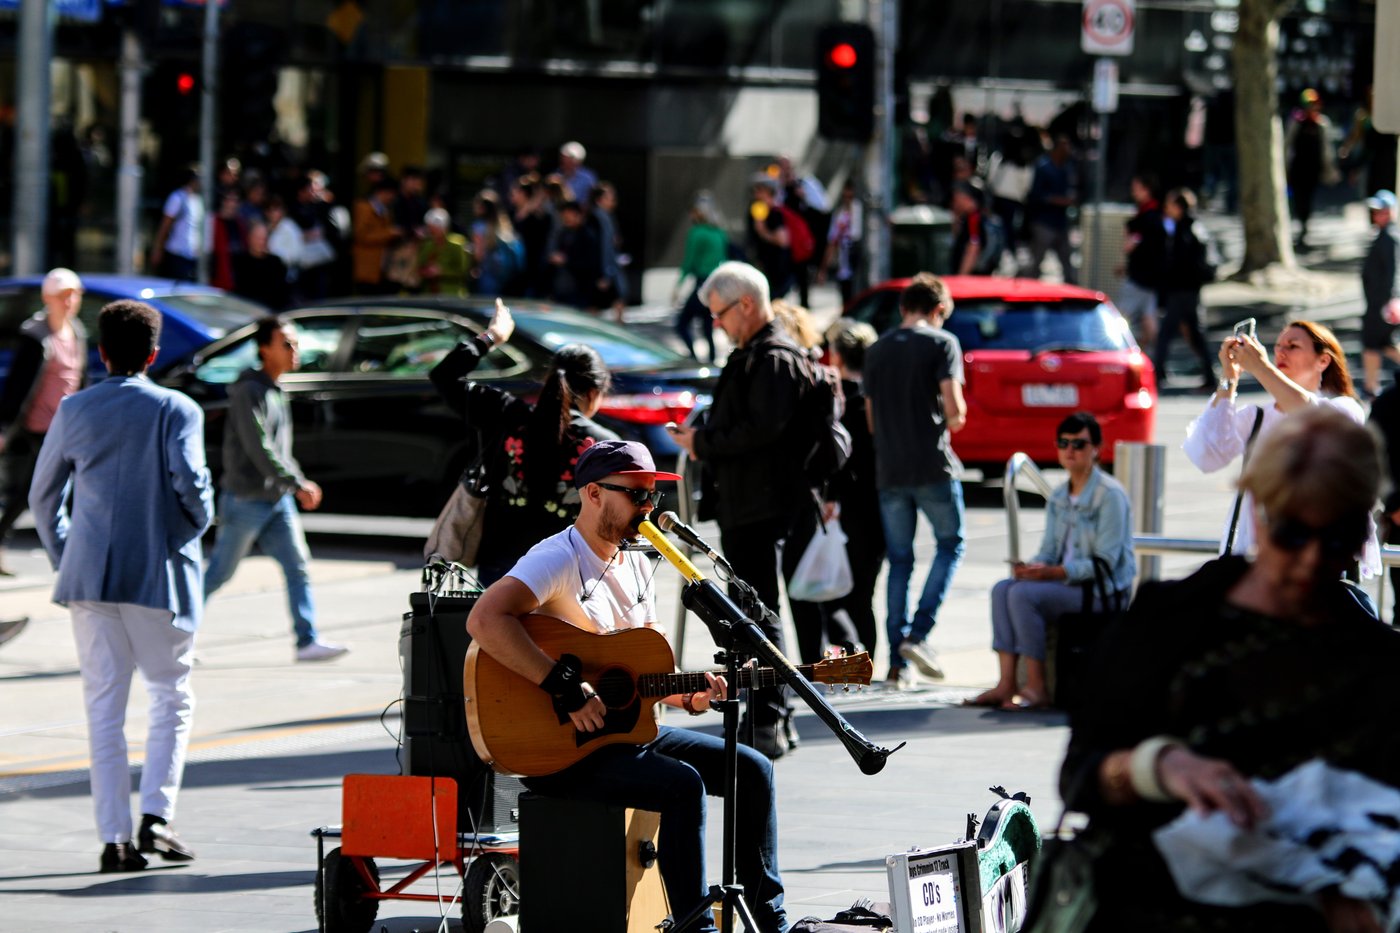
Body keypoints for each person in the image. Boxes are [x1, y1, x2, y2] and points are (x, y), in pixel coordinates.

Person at [1056, 406, 1400, 931]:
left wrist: (1360, 886)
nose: (1309, 559)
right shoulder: (1169, 621)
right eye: (1291, 534)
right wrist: (1159, 766)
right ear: (1260, 513)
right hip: (1150, 910)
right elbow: (1079, 775)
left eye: (1333, 539)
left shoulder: (1377, 662)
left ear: (1361, 536)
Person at [465, 439, 788, 933]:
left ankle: (770, 918)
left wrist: (688, 695)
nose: (648, 507)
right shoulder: (555, 558)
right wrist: (564, 686)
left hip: (626, 733)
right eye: (636, 494)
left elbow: (641, 672)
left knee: (754, 769)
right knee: (683, 786)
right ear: (593, 493)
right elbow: (485, 619)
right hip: (563, 749)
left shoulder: (639, 560)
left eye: (653, 496)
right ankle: (693, 926)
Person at [29, 299, 214, 872]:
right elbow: (196, 497)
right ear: (154, 354)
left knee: (104, 710)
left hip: (89, 578)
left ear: (101, 351)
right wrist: (174, 536)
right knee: (171, 697)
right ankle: (156, 819)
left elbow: (42, 498)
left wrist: (71, 552)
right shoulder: (176, 409)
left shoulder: (74, 409)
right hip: (158, 575)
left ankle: (113, 840)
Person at [667, 261, 815, 758]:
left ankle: (769, 713)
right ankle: (773, 710)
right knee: (751, 608)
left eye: (721, 313)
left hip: (761, 504)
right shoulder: (754, 353)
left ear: (746, 305)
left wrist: (701, 441)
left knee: (756, 612)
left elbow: (761, 432)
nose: (717, 324)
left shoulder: (773, 357)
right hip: (745, 502)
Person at [429, 301, 619, 586]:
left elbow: (444, 376)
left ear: (549, 380)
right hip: (569, 570)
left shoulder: (504, 413)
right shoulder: (606, 446)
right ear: (594, 393)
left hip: (501, 566)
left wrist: (493, 336)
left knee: (496, 630)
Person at [966, 413, 1134, 711]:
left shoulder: (1110, 495)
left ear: (1096, 448)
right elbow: (1048, 550)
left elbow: (1105, 564)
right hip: (1064, 583)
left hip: (1101, 591)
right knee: (1003, 588)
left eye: (1079, 444)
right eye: (1063, 443)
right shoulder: (1058, 495)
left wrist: (1053, 572)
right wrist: (1031, 568)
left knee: (1022, 595)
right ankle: (1006, 683)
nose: (1070, 450)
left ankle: (1037, 687)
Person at [203, 318, 348, 662]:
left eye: (296, 343)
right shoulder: (248, 391)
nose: (294, 350)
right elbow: (260, 447)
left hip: (277, 498)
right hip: (245, 500)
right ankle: (174, 637)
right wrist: (297, 483)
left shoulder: (275, 389)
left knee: (297, 566)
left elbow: (282, 451)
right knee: (219, 573)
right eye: (287, 343)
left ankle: (306, 640)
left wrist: (295, 482)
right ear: (265, 349)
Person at [1184, 319, 1378, 576]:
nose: (1281, 352)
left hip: (1315, 564)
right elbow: (1207, 455)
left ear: (1323, 361)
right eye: (1277, 346)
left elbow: (1315, 421)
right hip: (1254, 562)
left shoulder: (1343, 408)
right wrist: (1229, 377)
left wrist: (1260, 367)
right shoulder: (1259, 416)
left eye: (1293, 346)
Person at [863, 274, 966, 688]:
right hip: (932, 466)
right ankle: (918, 635)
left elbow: (871, 421)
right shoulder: (943, 344)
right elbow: (955, 409)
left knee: (900, 562)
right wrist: (950, 421)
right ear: (938, 310)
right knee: (950, 543)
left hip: (890, 469)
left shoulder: (877, 349)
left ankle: (895, 664)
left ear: (904, 307)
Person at [0, 268, 87, 576]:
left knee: (70, 490)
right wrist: (5, 428)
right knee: (26, 493)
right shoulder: (35, 336)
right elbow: (18, 386)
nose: (71, 301)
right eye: (64, 296)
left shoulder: (76, 332)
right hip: (36, 429)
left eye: (75, 294)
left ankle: (74, 556)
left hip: (66, 428)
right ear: (48, 298)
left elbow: (80, 381)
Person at [818, 320, 884, 659]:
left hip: (840, 508)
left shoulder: (833, 397)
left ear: (838, 356)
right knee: (863, 594)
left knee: (833, 593)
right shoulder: (879, 398)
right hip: (877, 504)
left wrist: (829, 496)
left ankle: (849, 658)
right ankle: (867, 659)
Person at [1154, 188, 1218, 390]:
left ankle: (1157, 375)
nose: (1167, 208)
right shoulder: (1195, 227)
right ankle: (1209, 376)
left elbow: (1178, 262)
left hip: (1181, 290)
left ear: (1179, 207)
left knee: (1166, 333)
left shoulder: (1183, 230)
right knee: (1195, 334)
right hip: (1191, 290)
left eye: (1171, 204)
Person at [671, 193, 727, 363]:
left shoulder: (697, 233)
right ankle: (711, 360)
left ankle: (694, 359)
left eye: (693, 211)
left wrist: (677, 286)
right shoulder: (719, 233)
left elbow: (689, 263)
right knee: (707, 327)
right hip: (715, 285)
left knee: (681, 324)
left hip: (702, 284)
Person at [1286, 88, 1339, 250]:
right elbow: (1287, 145)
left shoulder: (1321, 124)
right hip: (1297, 170)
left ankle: (1304, 230)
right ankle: (1300, 229)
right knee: (1298, 200)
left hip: (1312, 171)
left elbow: (1326, 149)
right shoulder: (1296, 123)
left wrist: (1330, 170)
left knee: (1307, 200)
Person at [1118, 173, 1167, 350]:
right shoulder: (1154, 215)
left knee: (1118, 320)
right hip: (1151, 279)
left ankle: (1121, 353)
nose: (1133, 192)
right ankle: (1154, 360)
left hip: (1140, 279)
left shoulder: (1147, 218)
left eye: (1136, 188)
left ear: (1147, 190)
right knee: (1149, 322)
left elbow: (1131, 245)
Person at [1360, 189, 1400, 398]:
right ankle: (1370, 386)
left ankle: (1369, 387)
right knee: (1385, 344)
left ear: (1391, 212)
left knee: (1372, 343)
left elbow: (1394, 270)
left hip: (1382, 303)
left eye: (1382, 211)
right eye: (1375, 211)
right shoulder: (1382, 235)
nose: (1377, 215)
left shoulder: (1390, 238)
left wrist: (1392, 300)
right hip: (1377, 301)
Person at [1023, 135, 1077, 283]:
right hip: (1043, 223)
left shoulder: (1067, 167)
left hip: (1060, 222)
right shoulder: (1043, 167)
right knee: (1035, 262)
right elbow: (1035, 195)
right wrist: (1058, 200)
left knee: (1067, 262)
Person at [150, 168, 203, 282]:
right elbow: (165, 225)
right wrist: (158, 249)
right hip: (176, 254)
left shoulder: (198, 200)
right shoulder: (177, 197)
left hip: (192, 256)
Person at [351, 179, 401, 295]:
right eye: (391, 194)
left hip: (381, 267)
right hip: (366, 267)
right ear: (382, 192)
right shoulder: (363, 208)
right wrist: (390, 233)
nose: (392, 198)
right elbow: (361, 236)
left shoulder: (385, 210)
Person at [818, 181, 863, 307]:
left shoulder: (860, 211)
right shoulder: (839, 214)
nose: (848, 200)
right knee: (846, 298)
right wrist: (823, 269)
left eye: (851, 197)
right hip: (844, 263)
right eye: (845, 197)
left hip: (858, 262)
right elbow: (832, 241)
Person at [747, 176, 792, 300]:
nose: (756, 194)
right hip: (764, 266)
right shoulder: (758, 211)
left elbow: (782, 241)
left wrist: (763, 232)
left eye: (759, 190)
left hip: (776, 270)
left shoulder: (775, 213)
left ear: (769, 192)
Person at [231, 222, 291, 311]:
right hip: (246, 310)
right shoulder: (239, 261)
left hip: (270, 311)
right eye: (258, 238)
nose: (261, 242)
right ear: (249, 238)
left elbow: (281, 293)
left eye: (264, 239)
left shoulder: (276, 262)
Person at [417, 207, 471, 296]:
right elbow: (420, 266)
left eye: (434, 229)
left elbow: (462, 271)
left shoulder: (457, 244)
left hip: (451, 292)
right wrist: (427, 272)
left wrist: (442, 271)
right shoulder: (427, 244)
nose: (431, 232)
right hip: (429, 292)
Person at [557, 140, 598, 204]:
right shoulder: (556, 173)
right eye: (563, 157)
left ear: (577, 160)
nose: (564, 161)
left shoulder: (588, 177)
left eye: (569, 159)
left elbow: (589, 201)